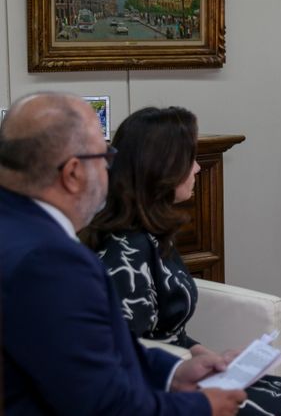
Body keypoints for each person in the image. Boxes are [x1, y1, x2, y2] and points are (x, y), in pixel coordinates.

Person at [0, 92, 246, 415]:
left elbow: (91, 350)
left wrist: (172, 372)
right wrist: (202, 407)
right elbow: (106, 406)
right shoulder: (52, 262)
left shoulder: (17, 230)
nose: (109, 171)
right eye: (105, 157)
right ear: (73, 173)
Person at [81, 106, 281, 416]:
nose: (199, 168)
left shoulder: (153, 232)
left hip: (176, 367)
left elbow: (169, 332)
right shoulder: (128, 251)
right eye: (191, 159)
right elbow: (124, 353)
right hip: (152, 388)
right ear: (163, 168)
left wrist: (215, 359)